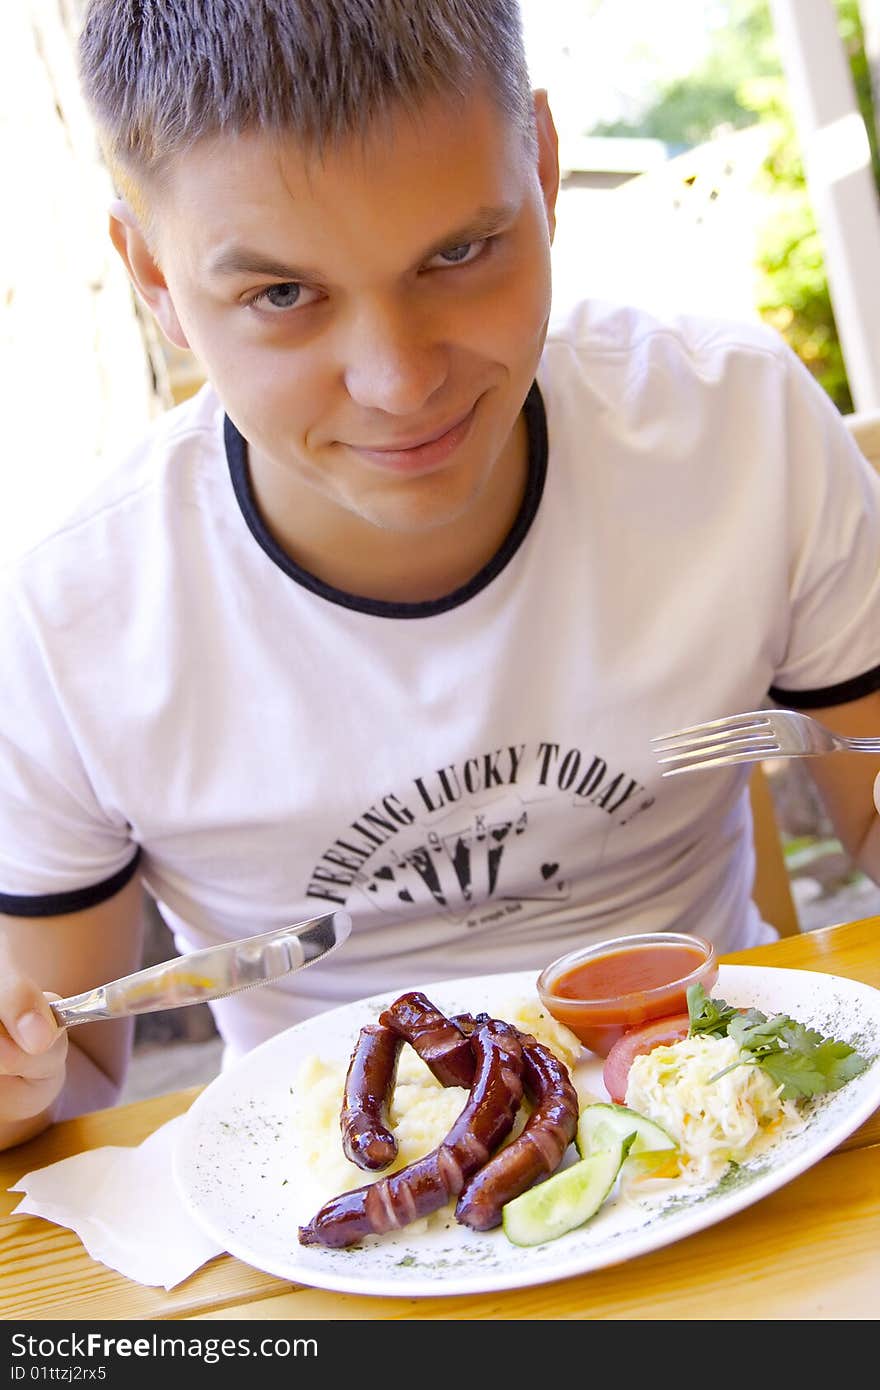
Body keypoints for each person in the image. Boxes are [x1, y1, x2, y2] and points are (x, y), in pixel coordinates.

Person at [1, 0, 879, 1153]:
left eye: (459, 253)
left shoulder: (734, 424)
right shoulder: (77, 614)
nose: (399, 380)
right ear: (154, 277)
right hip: (325, 1195)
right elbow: (68, 1087)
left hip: (721, 1123)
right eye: (280, 295)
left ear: (544, 167)